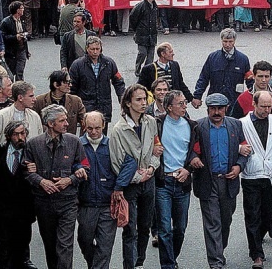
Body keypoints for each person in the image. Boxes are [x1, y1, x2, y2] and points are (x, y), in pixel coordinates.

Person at [190, 93, 250, 269]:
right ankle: (215, 261)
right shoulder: (198, 127)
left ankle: (219, 249)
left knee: (225, 220)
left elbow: (245, 151)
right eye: (213, 109)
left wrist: (239, 166)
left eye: (220, 109)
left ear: (226, 109)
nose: (216, 112)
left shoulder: (235, 125)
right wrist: (193, 158)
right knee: (212, 222)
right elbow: (189, 150)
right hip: (207, 181)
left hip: (228, 182)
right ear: (207, 109)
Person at [24, 104, 87, 269]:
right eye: (62, 120)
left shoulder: (74, 142)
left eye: (66, 120)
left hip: (68, 202)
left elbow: (84, 166)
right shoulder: (33, 144)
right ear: (51, 124)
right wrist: (41, 181)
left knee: (65, 245)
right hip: (44, 203)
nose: (67, 123)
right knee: (50, 244)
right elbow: (26, 172)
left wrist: (70, 179)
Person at [109, 84, 160, 269]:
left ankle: (140, 263)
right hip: (131, 184)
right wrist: (138, 177)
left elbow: (157, 150)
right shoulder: (118, 130)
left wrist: (151, 169)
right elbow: (116, 163)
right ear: (128, 103)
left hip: (149, 180)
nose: (143, 103)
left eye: (144, 99)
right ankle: (129, 265)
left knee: (145, 225)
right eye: (138, 100)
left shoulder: (151, 122)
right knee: (130, 229)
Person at [154, 90, 198, 269]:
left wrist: (188, 170)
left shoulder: (191, 125)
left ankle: (172, 257)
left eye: (185, 102)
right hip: (163, 182)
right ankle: (168, 265)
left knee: (179, 229)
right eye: (180, 103)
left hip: (182, 183)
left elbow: (195, 152)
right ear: (169, 107)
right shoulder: (158, 124)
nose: (184, 106)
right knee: (164, 229)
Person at [240, 91, 272, 268]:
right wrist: (238, 148)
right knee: (252, 215)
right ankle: (256, 254)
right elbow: (233, 141)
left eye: (269, 106)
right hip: (251, 174)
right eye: (263, 106)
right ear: (254, 104)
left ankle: (260, 234)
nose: (266, 110)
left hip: (271, 174)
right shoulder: (242, 123)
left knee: (269, 213)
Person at [0, 121, 37, 269]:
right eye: (16, 134)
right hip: (3, 212)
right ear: (9, 136)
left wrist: (35, 171)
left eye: (23, 133)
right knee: (4, 250)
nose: (21, 137)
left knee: (21, 249)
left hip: (23, 212)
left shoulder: (32, 153)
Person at [77, 112, 120, 269]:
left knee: (105, 246)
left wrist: (118, 187)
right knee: (84, 240)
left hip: (107, 204)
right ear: (84, 127)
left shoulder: (112, 144)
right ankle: (93, 264)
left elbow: (127, 164)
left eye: (97, 128)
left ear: (103, 126)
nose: (94, 132)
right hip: (85, 204)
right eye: (89, 128)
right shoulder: (78, 145)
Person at [192, 28, 253, 114]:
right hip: (215, 99)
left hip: (235, 101)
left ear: (234, 41)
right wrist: (197, 96)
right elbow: (203, 78)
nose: (228, 44)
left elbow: (250, 80)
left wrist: (256, 97)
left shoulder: (243, 59)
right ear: (221, 40)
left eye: (230, 41)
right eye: (225, 41)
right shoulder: (212, 57)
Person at [69, 36, 126, 128]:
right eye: (92, 49)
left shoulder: (109, 63)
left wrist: (123, 100)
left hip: (104, 106)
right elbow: (72, 88)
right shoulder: (77, 65)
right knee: (86, 135)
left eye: (97, 49)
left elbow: (118, 82)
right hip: (86, 107)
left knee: (102, 137)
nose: (95, 52)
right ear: (87, 49)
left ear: (101, 49)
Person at [0, 81, 43, 147]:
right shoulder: (0, 117)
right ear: (20, 98)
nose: (34, 99)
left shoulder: (35, 117)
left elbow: (40, 143)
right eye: (31, 96)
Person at [0, 1, 30, 81]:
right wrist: (15, 37)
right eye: (21, 8)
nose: (23, 10)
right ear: (17, 10)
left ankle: (19, 88)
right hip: (11, 52)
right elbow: (3, 37)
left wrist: (27, 51)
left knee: (20, 72)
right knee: (11, 73)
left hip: (21, 49)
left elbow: (25, 33)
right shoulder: (6, 22)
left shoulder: (21, 21)